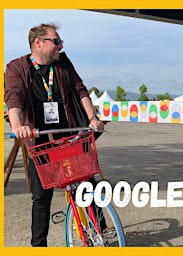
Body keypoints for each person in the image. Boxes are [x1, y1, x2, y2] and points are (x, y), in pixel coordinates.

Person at [4, 23, 104, 246]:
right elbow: (14, 96)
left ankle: (102, 232)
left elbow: (80, 90)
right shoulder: (16, 67)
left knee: (88, 185)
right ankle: (38, 246)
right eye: (56, 42)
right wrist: (18, 126)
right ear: (38, 43)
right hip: (39, 140)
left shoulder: (63, 63)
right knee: (41, 197)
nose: (61, 46)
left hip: (68, 136)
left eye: (61, 42)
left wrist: (92, 119)